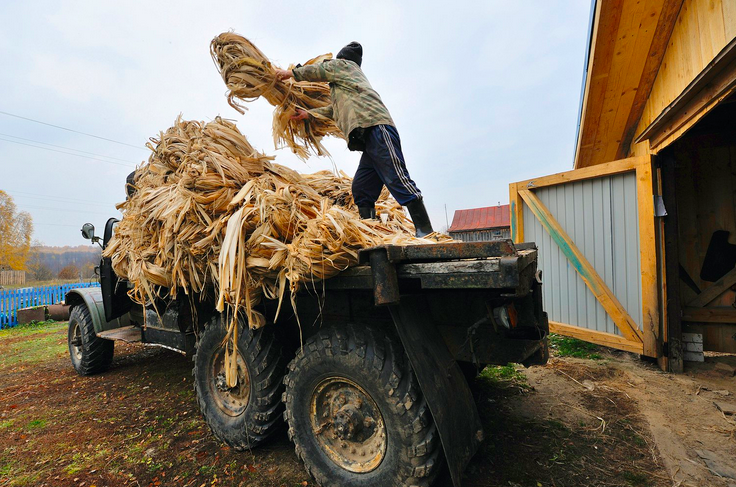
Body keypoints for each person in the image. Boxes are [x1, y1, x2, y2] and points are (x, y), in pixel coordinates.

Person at [275, 42, 433, 237]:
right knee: (362, 188)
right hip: (368, 139)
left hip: (377, 128)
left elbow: (321, 69)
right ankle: (372, 233)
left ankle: (425, 230)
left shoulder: (345, 66)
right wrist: (308, 114)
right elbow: (334, 110)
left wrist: (291, 73)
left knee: (397, 178)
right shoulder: (345, 85)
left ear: (342, 59)